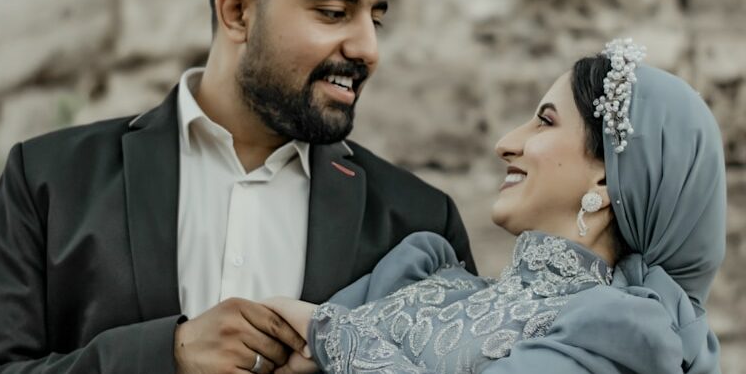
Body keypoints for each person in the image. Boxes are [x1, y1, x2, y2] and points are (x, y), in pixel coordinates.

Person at [0, 0, 477, 373]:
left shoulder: (419, 220)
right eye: (335, 12)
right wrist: (165, 356)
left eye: (375, 19)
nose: (367, 48)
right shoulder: (49, 178)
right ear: (237, 13)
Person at [265, 39, 726, 373]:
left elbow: (325, 334)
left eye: (544, 122)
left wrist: (332, 337)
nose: (506, 143)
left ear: (606, 178)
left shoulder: (612, 332)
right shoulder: (430, 277)